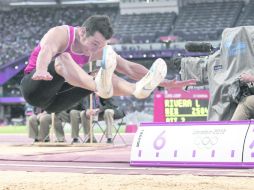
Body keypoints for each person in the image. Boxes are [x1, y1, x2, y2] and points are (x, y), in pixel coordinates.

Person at [20, 15, 196, 114]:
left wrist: (165, 83)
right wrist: (42, 70)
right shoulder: (61, 33)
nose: (97, 50)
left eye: (102, 46)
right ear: (82, 33)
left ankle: (136, 90)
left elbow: (129, 67)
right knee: (63, 59)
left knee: (102, 74)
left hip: (57, 103)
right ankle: (97, 85)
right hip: (35, 87)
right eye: (95, 44)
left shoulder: (98, 48)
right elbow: (47, 50)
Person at [175, 26, 254, 121]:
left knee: (247, 104)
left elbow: (202, 67)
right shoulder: (217, 59)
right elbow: (203, 67)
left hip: (230, 118)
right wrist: (182, 63)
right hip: (222, 118)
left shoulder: (217, 59)